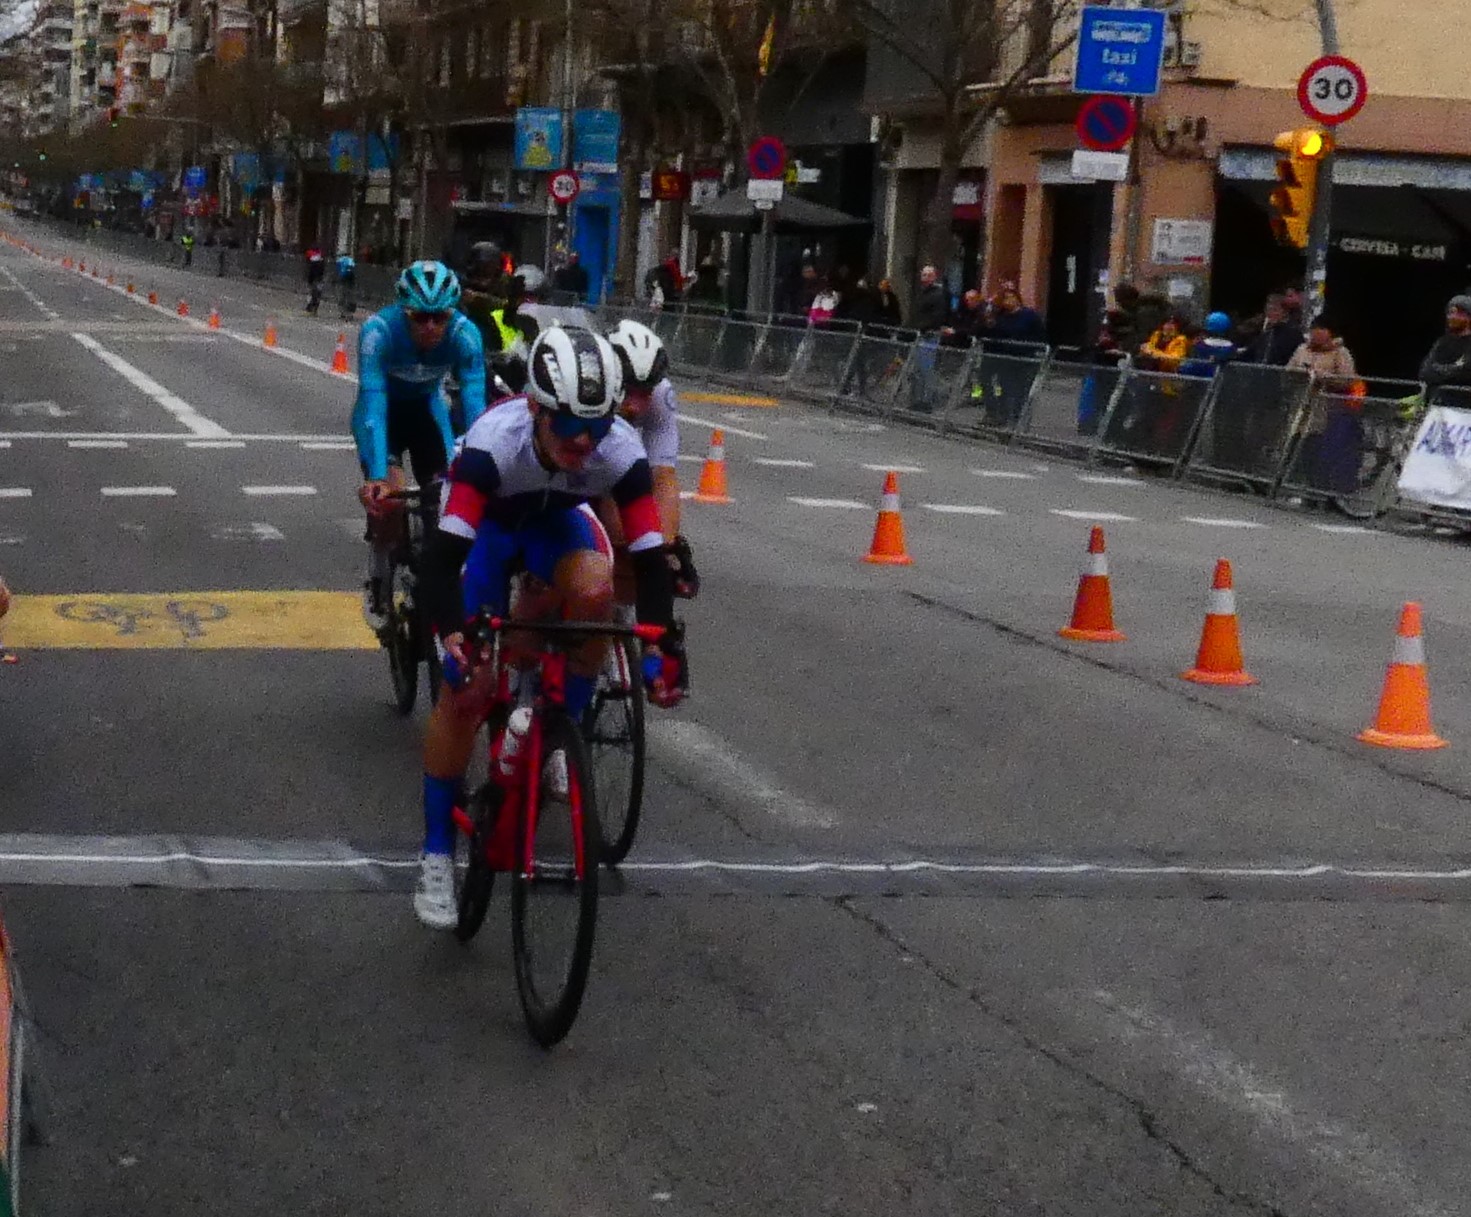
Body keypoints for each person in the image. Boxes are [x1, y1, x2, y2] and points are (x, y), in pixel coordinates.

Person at [412, 326, 686, 928]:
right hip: (488, 530)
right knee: (469, 689)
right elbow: (442, 559)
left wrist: (661, 646)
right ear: (536, 409)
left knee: (597, 589)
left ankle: (559, 725)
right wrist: (455, 635)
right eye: (566, 424)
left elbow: (648, 560)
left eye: (597, 425)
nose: (582, 440)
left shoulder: (618, 450)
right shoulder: (493, 446)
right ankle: (436, 853)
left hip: (555, 525)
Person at [352, 260, 489, 632]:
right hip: (383, 416)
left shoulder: (465, 335)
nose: (430, 326)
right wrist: (377, 475)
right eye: (420, 317)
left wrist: (481, 464)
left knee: (450, 499)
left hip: (428, 413)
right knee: (392, 501)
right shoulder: (378, 332)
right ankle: (378, 575)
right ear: (404, 311)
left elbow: (476, 408)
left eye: (440, 317)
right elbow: (373, 402)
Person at [602, 320, 696, 608]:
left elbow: (663, 475)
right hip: (573, 472)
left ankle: (625, 612)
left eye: (644, 393)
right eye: (627, 392)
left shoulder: (661, 393)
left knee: (646, 550)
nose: (635, 405)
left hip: (617, 468)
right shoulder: (592, 388)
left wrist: (664, 545)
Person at [1287, 316, 1361, 496]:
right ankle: (1294, 488)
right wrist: (1299, 373)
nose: (1315, 334)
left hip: (1326, 410)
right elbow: (1289, 368)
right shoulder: (1302, 349)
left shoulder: (1340, 352)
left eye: (1321, 330)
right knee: (1296, 447)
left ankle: (1317, 491)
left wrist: (1324, 377)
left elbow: (1348, 378)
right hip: (1301, 406)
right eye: (1314, 330)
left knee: (1317, 450)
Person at [1419, 295, 1471, 406]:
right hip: (1438, 407)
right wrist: (1453, 368)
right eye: (1450, 312)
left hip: (1464, 409)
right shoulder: (1442, 342)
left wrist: (1438, 370)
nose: (1452, 317)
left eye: (1457, 313)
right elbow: (1425, 372)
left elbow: (1465, 372)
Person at [336, 252, 357, 321]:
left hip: (342, 280)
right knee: (350, 297)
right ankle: (350, 314)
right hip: (350, 281)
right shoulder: (351, 261)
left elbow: (338, 270)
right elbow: (354, 271)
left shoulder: (339, 260)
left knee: (342, 296)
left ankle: (343, 313)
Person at [304, 246, 325, 314]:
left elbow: (311, 272)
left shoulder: (312, 261)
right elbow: (322, 271)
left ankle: (310, 307)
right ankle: (315, 309)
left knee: (311, 294)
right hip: (319, 279)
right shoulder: (321, 260)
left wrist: (309, 280)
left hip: (313, 280)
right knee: (318, 294)